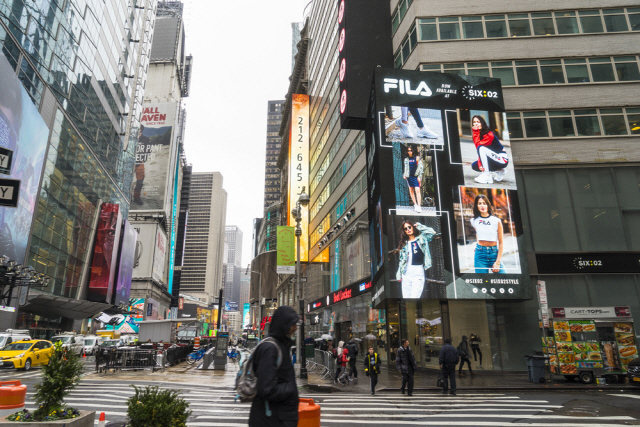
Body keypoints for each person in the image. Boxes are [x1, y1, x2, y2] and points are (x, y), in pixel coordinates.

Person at [249, 305, 300, 427]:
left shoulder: (281, 346)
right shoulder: (270, 349)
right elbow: (267, 389)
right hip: (270, 419)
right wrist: (290, 388)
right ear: (284, 325)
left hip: (277, 418)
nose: (295, 328)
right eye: (293, 324)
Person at [391, 221, 437, 299]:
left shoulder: (422, 238)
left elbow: (432, 232)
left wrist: (419, 226)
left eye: (409, 227)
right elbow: (402, 260)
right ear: (404, 231)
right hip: (406, 275)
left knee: (414, 298)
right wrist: (399, 274)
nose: (408, 229)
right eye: (406, 229)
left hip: (418, 274)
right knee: (406, 299)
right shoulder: (404, 244)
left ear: (413, 227)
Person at [470, 194, 505, 274]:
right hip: (480, 255)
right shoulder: (474, 221)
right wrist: (478, 244)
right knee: (482, 283)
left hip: (494, 253)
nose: (482, 205)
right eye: (479, 203)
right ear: (477, 206)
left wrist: (498, 262)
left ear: (488, 205)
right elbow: (478, 233)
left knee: (504, 278)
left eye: (484, 203)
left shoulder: (496, 221)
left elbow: (501, 243)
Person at [470, 115, 509, 185]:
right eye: (474, 122)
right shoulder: (478, 133)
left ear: (482, 123)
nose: (476, 124)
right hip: (493, 158)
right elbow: (478, 147)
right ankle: (500, 170)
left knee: (481, 149)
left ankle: (487, 175)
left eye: (478, 122)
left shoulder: (489, 134)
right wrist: (479, 164)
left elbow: (479, 148)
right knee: (474, 166)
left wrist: (480, 164)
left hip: (502, 159)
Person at [403, 145, 424, 213]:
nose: (410, 152)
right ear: (407, 152)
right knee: (411, 191)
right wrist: (404, 174)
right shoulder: (406, 159)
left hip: (416, 176)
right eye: (408, 151)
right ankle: (415, 205)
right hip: (409, 176)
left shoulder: (417, 158)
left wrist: (419, 176)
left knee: (417, 190)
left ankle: (419, 206)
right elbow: (406, 168)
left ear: (412, 151)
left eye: (411, 150)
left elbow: (421, 167)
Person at [133, 125, 149, 205]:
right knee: (125, 178)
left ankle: (136, 197)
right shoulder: (131, 137)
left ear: (141, 130)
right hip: (129, 160)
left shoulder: (145, 139)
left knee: (140, 181)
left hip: (139, 162)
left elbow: (148, 150)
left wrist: (143, 159)